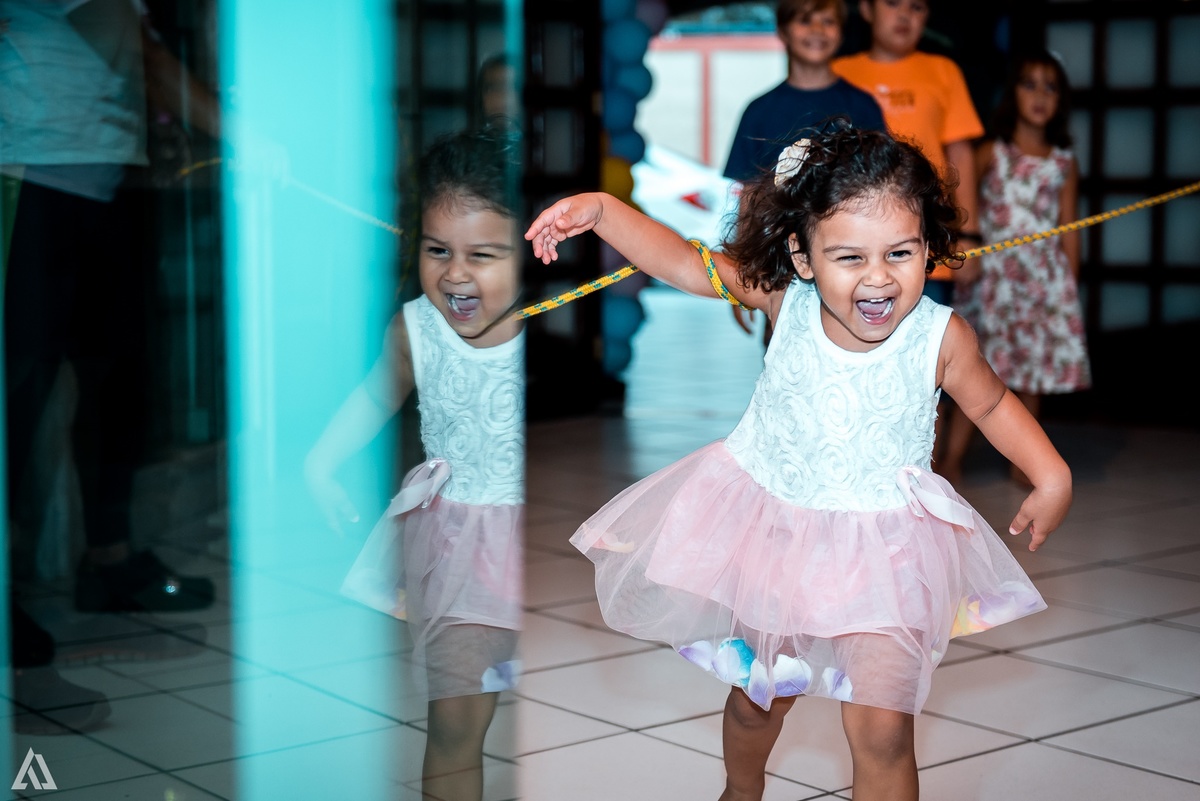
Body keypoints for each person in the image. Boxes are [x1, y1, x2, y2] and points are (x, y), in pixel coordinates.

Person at [525, 124, 1072, 801]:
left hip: (887, 555)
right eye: (850, 257)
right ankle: (741, 789)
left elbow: (991, 406)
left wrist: (1051, 473)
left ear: (929, 247)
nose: (878, 278)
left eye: (900, 252)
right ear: (804, 256)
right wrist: (606, 211)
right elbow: (686, 263)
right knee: (758, 701)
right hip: (780, 544)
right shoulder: (786, 299)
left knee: (884, 732)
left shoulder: (941, 336)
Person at [3, 0, 220, 733]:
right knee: (17, 391)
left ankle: (110, 560)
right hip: (23, 169)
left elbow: (149, 57)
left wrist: (240, 134)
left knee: (121, 381)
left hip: (111, 176)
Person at [304, 126, 525, 801]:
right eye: (437, 250)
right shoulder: (416, 328)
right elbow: (375, 394)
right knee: (457, 721)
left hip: (538, 546)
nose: (454, 274)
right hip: (455, 547)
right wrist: (319, 464)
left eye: (482, 254)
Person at [937, 50, 1090, 486]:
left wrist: (1068, 286)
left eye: (1050, 87)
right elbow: (963, 206)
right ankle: (951, 457)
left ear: (1060, 100)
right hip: (994, 279)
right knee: (979, 364)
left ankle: (1024, 458)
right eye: (1030, 84)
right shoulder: (993, 151)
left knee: (1030, 371)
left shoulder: (1063, 162)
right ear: (1012, 94)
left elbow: (1070, 227)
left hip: (1041, 279)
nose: (1040, 95)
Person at [723, 0, 886, 345]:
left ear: (841, 32)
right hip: (781, 267)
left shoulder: (863, 106)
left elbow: (885, 190)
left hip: (853, 262)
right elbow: (750, 197)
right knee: (786, 366)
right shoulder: (759, 111)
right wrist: (741, 270)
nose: (816, 31)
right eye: (804, 21)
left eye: (827, 21)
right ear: (782, 32)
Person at [832, 0, 985, 304]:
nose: (904, 14)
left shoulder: (943, 71)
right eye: (892, 3)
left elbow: (961, 156)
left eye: (916, 7)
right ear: (866, 9)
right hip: (850, 245)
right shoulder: (838, 73)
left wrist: (970, 237)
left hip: (927, 243)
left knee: (925, 347)